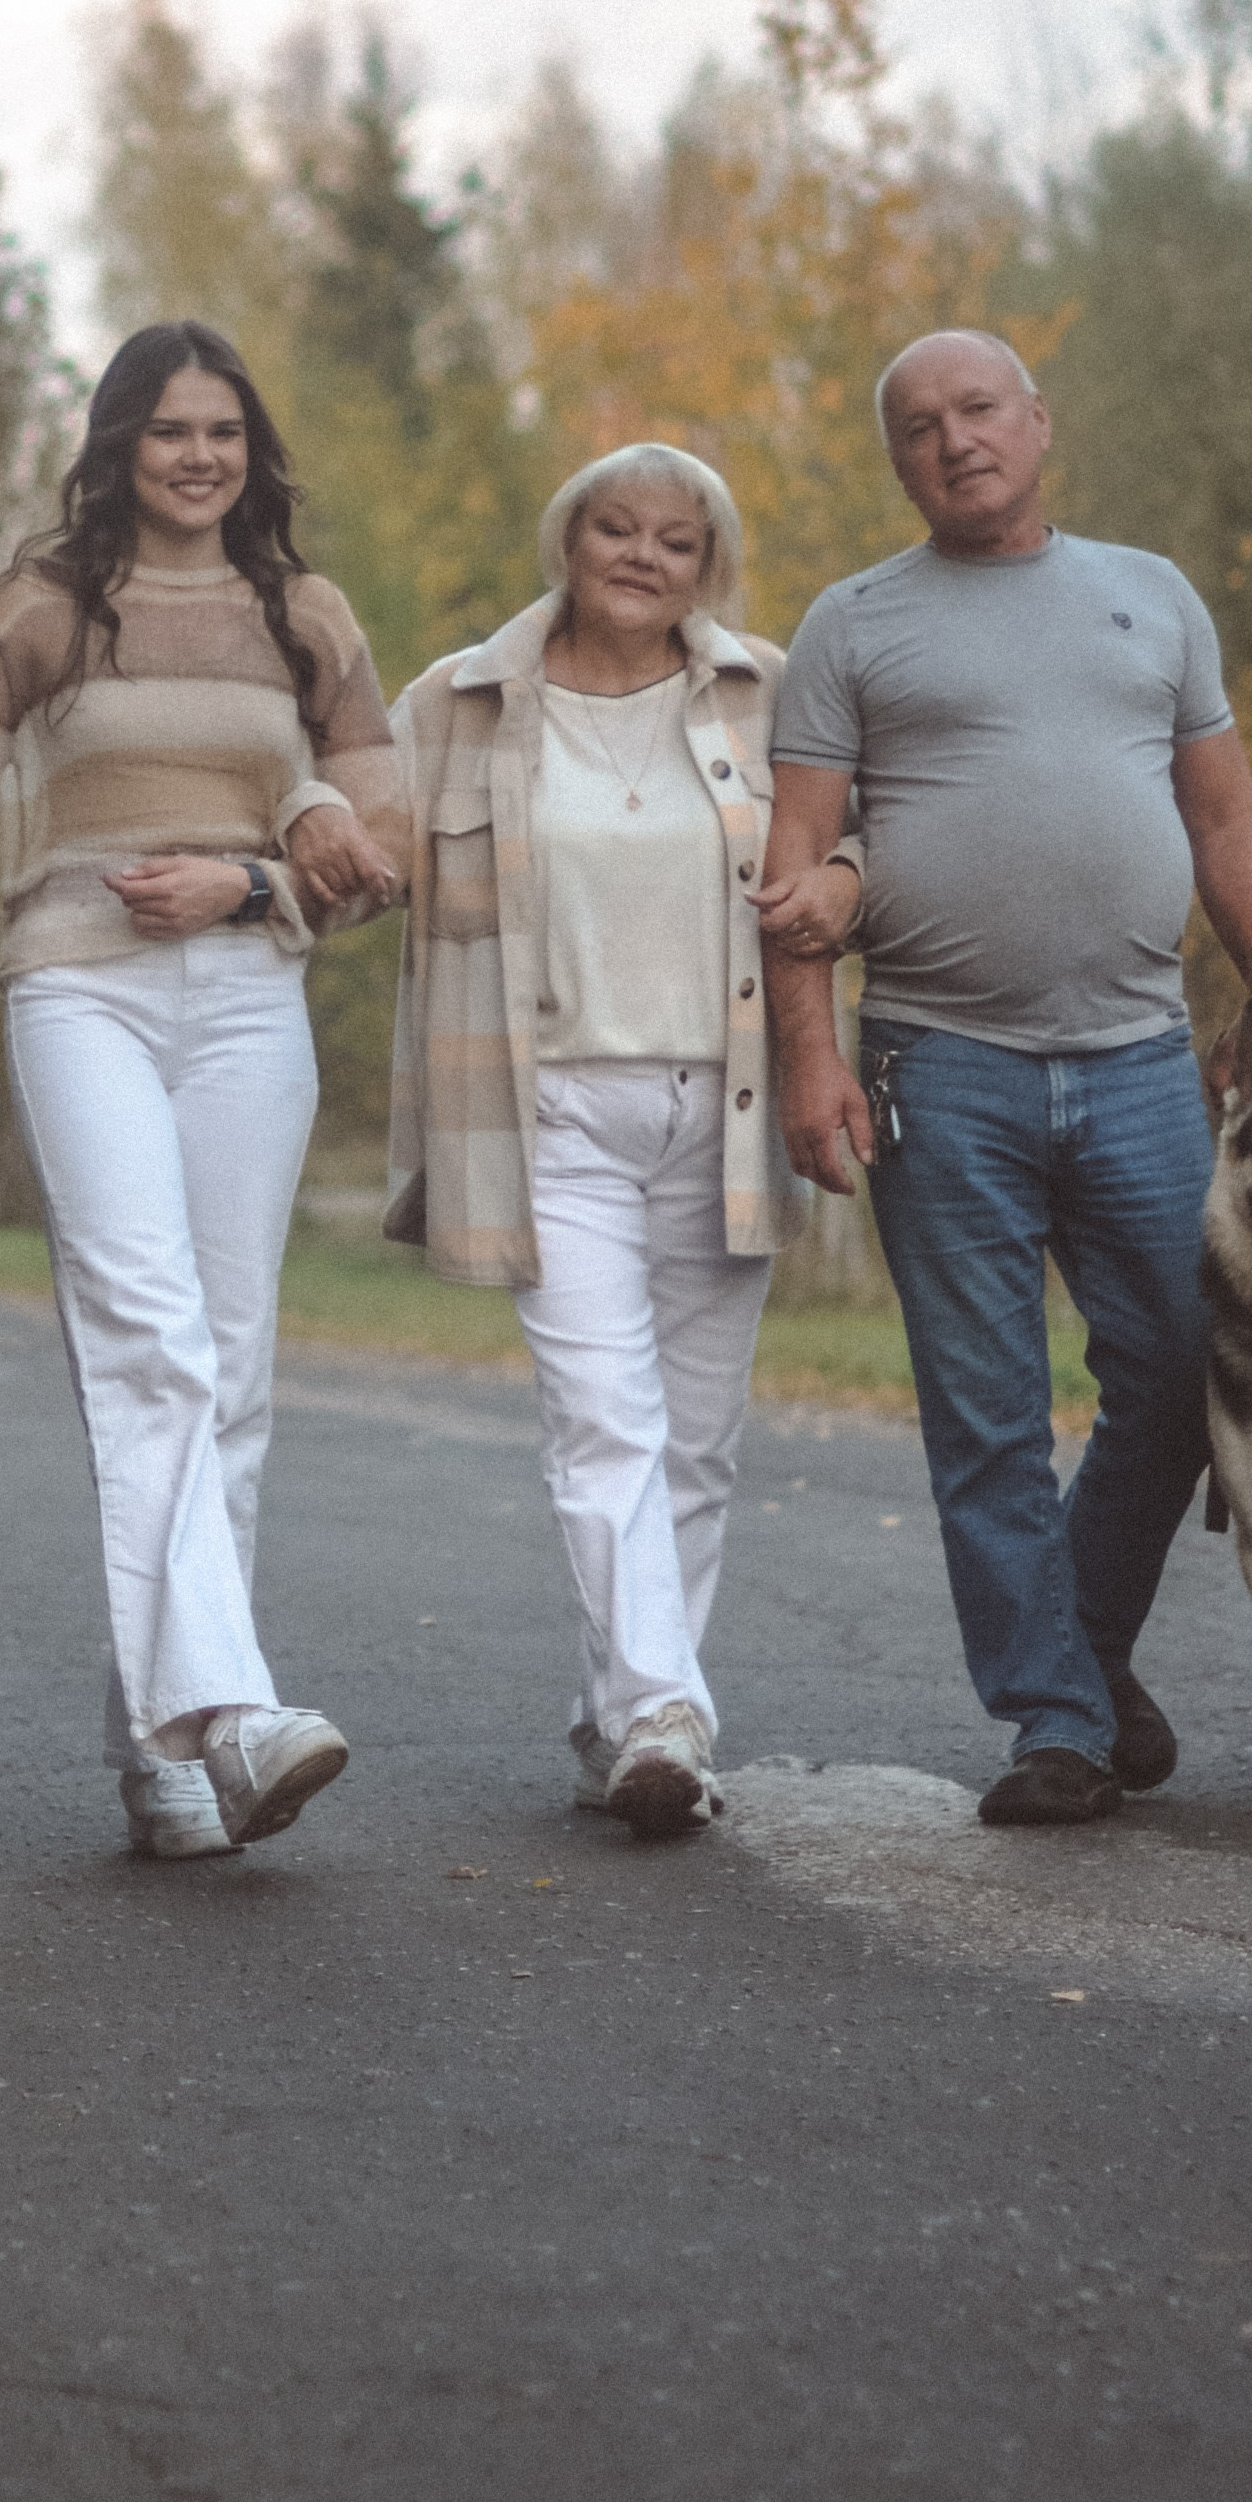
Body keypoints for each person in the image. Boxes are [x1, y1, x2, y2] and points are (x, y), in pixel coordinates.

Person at [762, 330, 1252, 1827]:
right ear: (899, 461)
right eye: (919, 425)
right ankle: (1057, 1720)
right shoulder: (852, 624)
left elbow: (1225, 810)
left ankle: (1085, 1647)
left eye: (978, 408)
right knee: (984, 1412)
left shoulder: (1154, 593)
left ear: (1038, 422)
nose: (954, 440)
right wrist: (810, 1058)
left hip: (1139, 1055)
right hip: (940, 1066)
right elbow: (792, 868)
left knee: (1194, 1365)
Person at [0, 320, 403, 1860]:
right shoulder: (38, 609)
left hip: (252, 999)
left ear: (254, 451)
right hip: (78, 986)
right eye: (170, 429)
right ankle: (234, 1716)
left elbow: (377, 850)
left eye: (224, 432)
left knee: (230, 1367)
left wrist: (254, 872)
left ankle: (165, 1746)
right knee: (152, 1340)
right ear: (119, 444)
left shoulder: (304, 614)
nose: (199, 455)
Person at [383, 441, 860, 1835]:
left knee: (697, 1443)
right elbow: (354, 836)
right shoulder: (457, 700)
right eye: (616, 529)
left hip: (727, 1108)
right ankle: (664, 1708)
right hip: (550, 1112)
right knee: (607, 1420)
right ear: (568, 541)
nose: (643, 557)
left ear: (707, 564)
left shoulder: (770, 693)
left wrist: (841, 873)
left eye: (676, 538)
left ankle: (624, 1717)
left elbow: (865, 845)